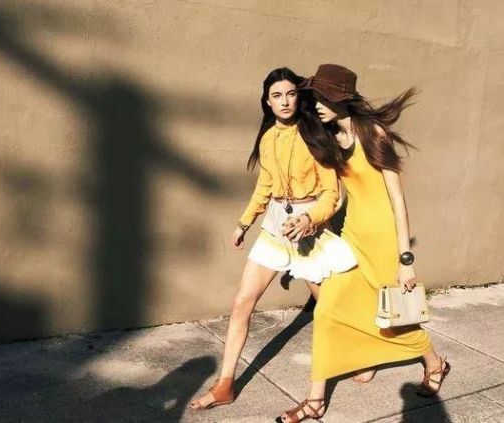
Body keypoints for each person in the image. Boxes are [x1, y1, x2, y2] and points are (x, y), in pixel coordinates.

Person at [278, 64, 451, 422]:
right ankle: (315, 400)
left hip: (384, 239)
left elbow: (397, 200)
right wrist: (310, 222)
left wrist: (405, 259)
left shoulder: (373, 133)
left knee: (397, 316)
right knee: (328, 310)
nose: (317, 105)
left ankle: (435, 363)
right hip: (353, 236)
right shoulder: (333, 138)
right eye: (315, 98)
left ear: (342, 99)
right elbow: (339, 196)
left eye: (324, 98)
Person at [188, 67, 357, 410]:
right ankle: (225, 385)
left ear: (298, 97)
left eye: (291, 94)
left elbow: (332, 193)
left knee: (329, 310)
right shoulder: (267, 139)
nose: (285, 101)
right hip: (275, 228)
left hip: (309, 229)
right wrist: (244, 222)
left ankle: (356, 357)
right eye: (277, 96)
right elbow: (264, 187)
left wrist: (309, 219)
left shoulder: (315, 135)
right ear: (267, 101)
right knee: (242, 303)